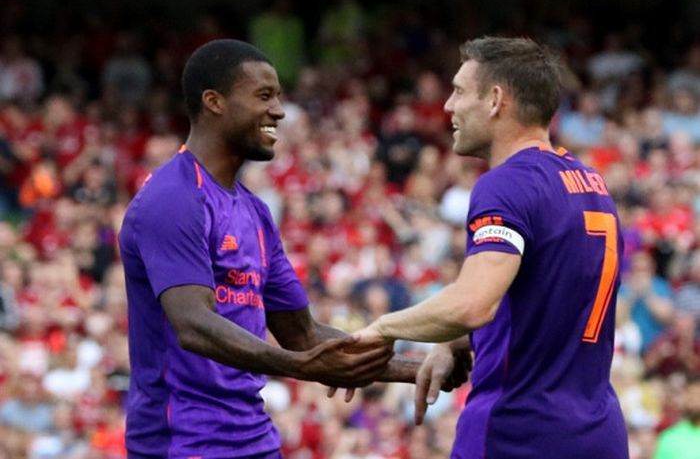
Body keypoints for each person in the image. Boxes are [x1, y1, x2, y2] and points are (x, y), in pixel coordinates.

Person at [119, 39, 467, 459]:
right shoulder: (173, 198)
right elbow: (192, 324)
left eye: (279, 97)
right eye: (264, 96)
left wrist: (417, 370)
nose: (279, 111)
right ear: (214, 102)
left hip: (255, 439)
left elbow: (304, 336)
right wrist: (301, 367)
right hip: (181, 443)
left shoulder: (255, 212)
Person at [355, 36, 629, 459]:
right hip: (599, 433)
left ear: (496, 100)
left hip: (518, 432)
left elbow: (472, 304)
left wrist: (381, 328)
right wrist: (454, 342)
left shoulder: (506, 183)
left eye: (460, 91)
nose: (448, 106)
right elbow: (544, 308)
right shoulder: (591, 183)